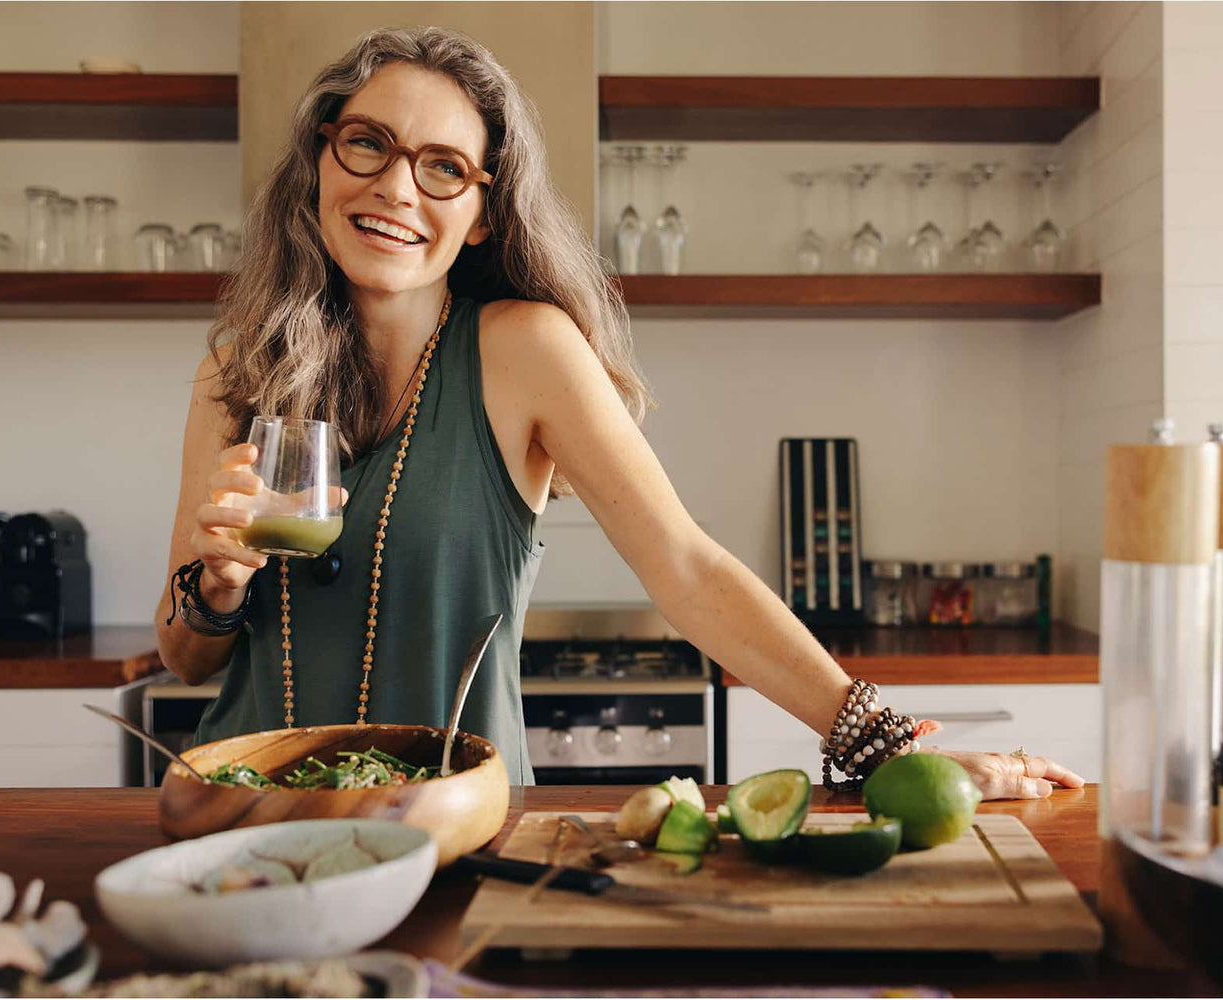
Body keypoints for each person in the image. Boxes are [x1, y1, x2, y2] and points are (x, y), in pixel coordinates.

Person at [154, 25, 1084, 800]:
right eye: (368, 143)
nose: (397, 188)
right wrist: (216, 585)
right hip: (242, 816)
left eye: (443, 166)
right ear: (322, 155)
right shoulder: (236, 369)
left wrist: (884, 742)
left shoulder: (524, 350)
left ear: (481, 213)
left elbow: (687, 569)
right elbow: (186, 654)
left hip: (452, 823)